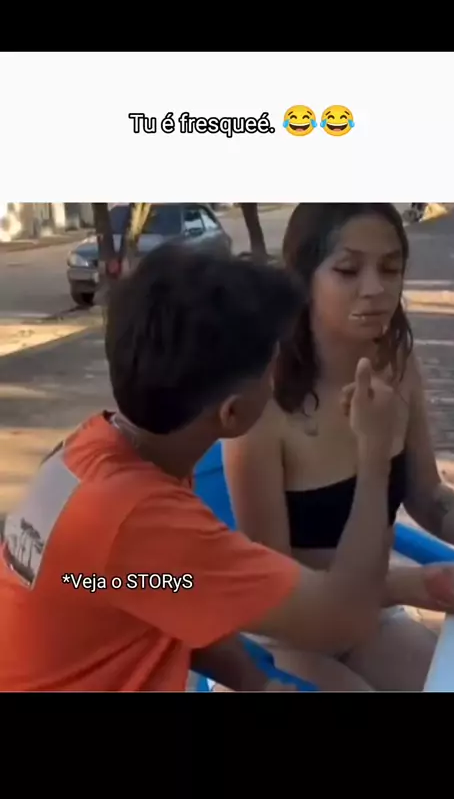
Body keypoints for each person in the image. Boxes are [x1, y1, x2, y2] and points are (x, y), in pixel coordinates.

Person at [0, 242, 395, 692]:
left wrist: (256, 684)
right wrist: (374, 452)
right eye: (272, 369)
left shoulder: (95, 449)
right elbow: (345, 617)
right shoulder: (138, 515)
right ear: (232, 413)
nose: (278, 380)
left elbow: (167, 589)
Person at [223, 203, 454, 692]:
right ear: (303, 278)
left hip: (368, 619)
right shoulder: (262, 404)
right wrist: (426, 585)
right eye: (347, 269)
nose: (375, 288)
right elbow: (277, 585)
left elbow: (429, 496)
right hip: (288, 636)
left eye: (391, 268)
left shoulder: (397, 364)